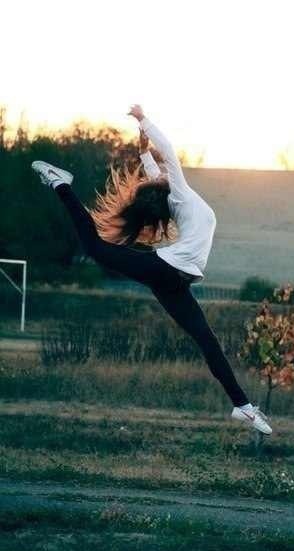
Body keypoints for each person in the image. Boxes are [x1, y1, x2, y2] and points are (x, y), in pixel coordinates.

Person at [31, 104, 272, 435]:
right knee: (96, 248)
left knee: (207, 340)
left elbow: (156, 175)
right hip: (167, 270)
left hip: (175, 282)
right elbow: (168, 153)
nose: (159, 175)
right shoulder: (179, 194)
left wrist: (144, 152)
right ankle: (61, 185)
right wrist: (144, 119)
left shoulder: (173, 199)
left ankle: (242, 406)